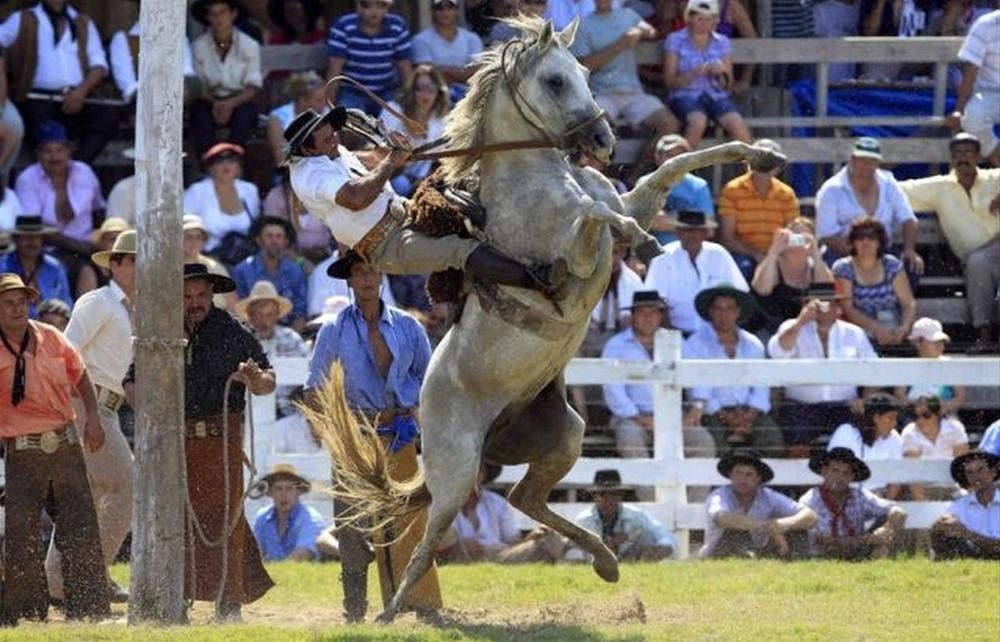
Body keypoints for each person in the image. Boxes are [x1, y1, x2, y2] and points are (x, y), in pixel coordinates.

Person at [285, 107, 567, 300]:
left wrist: (385, 152)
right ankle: (538, 280)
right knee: (458, 249)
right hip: (385, 245)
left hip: (405, 210)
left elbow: (363, 160)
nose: (335, 139)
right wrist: (390, 162)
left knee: (461, 188)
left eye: (333, 133)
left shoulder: (329, 151)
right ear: (307, 149)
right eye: (327, 139)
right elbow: (356, 199)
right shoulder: (310, 174)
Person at [128, 263, 275, 620]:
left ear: (212, 295)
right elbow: (130, 383)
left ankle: (229, 603)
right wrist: (148, 404)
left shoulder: (232, 330)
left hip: (219, 437)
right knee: (172, 520)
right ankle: (173, 600)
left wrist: (254, 379)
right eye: (187, 295)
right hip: (171, 442)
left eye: (201, 295)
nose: (195, 302)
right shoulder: (160, 331)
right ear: (177, 298)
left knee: (226, 520)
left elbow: (268, 379)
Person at [305, 254, 441, 622]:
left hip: (398, 429)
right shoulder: (334, 328)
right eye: (360, 272)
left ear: (381, 275)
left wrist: (420, 417)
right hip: (355, 434)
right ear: (349, 280)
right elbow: (315, 384)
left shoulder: (408, 327)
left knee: (411, 519)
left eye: (372, 271)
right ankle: (355, 609)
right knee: (351, 527)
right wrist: (326, 430)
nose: (367, 278)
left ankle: (424, 605)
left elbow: (430, 381)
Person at [0, 273, 109, 626]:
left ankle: (88, 608)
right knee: (21, 534)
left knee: (80, 527)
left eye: (22, 302)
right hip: (21, 451)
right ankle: (26, 612)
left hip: (65, 444)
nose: (19, 309)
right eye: (9, 303)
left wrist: (93, 417)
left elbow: (80, 376)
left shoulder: (51, 336)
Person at [45, 231, 136, 606]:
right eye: (132, 260)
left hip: (103, 405)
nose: (141, 268)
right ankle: (91, 575)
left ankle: (55, 584)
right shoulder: (99, 302)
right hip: (89, 404)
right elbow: (65, 353)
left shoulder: (128, 309)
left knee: (89, 496)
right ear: (115, 265)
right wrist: (85, 415)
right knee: (126, 487)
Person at [898, 133, 1000, 351]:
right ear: (951, 159)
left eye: (968, 152)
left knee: (979, 262)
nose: (963, 158)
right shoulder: (940, 188)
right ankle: (984, 335)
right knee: (978, 263)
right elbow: (898, 190)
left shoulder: (995, 178)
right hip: (976, 258)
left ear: (979, 156)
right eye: (957, 154)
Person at [0, 0, 117, 163]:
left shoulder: (82, 22)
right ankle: (54, 170)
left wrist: (81, 92)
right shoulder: (23, 19)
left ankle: (78, 167)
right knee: (43, 128)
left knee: (107, 118)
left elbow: (99, 65)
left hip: (77, 96)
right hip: (37, 98)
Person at [572, 0, 679, 178]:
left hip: (633, 92)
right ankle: (602, 181)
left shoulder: (627, 15)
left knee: (669, 124)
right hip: (602, 93)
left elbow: (651, 31)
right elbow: (584, 65)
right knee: (599, 127)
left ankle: (634, 178)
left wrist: (640, 31)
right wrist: (621, 44)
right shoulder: (583, 25)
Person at [768, 283, 877, 458]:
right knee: (795, 436)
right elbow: (777, 352)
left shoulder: (854, 333)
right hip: (802, 406)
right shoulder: (793, 327)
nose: (825, 309)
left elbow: (874, 371)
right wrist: (801, 321)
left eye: (830, 304)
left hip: (844, 405)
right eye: (819, 304)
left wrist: (864, 401)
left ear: (838, 308)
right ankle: (799, 484)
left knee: (858, 434)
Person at [603, 290, 715, 458]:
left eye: (653, 312)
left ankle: (693, 486)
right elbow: (613, 390)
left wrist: (696, 408)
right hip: (632, 418)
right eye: (642, 312)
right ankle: (647, 486)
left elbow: (698, 374)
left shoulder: (676, 342)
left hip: (674, 415)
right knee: (630, 441)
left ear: (660, 316)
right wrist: (640, 418)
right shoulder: (616, 345)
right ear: (632, 316)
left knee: (703, 442)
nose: (648, 318)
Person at [684, 285, 782, 457]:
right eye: (718, 309)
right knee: (716, 444)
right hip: (714, 413)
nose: (724, 315)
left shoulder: (753, 344)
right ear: (710, 312)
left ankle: (765, 483)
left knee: (773, 440)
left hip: (750, 411)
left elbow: (761, 387)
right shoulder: (695, 343)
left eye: (729, 308)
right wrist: (726, 418)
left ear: (738, 312)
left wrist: (749, 416)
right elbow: (698, 389)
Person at [815, 137, 923, 276]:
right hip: (843, 252)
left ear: (878, 163)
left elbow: (909, 219)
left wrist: (910, 250)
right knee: (837, 270)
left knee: (911, 267)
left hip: (882, 250)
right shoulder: (831, 189)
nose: (866, 165)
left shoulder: (889, 183)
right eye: (862, 160)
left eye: (871, 161)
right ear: (852, 160)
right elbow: (827, 235)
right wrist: (862, 253)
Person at [663, 0, 752, 149]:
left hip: (716, 96)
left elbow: (727, 85)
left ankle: (754, 169)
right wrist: (692, 74)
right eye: (700, 18)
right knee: (698, 121)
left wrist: (721, 73)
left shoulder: (722, 42)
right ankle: (682, 169)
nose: (704, 23)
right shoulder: (675, 40)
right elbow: (669, 81)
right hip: (685, 96)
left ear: (715, 20)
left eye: (709, 19)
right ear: (689, 18)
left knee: (736, 122)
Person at [14, 120, 106, 264]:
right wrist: (82, 248)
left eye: (60, 150)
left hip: (88, 248)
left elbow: (99, 210)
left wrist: (101, 242)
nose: (55, 157)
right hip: (48, 252)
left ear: (69, 150)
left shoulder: (84, 171)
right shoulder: (27, 180)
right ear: (38, 153)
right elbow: (34, 228)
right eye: (47, 151)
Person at [437, 463, 567, 563]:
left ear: (483, 475)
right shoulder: (441, 503)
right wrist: (467, 544)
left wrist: (530, 538)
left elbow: (512, 542)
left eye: (477, 470)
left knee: (551, 538)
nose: (471, 475)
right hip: (460, 558)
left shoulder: (497, 503)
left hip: (501, 558)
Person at [644, 210, 746, 335]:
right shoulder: (663, 257)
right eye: (685, 230)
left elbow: (740, 293)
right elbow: (654, 301)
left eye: (696, 230)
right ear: (678, 232)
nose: (691, 235)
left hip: (717, 334)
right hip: (675, 333)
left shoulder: (719, 254)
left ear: (705, 233)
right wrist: (674, 336)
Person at [700, 451, 816, 558]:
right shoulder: (719, 495)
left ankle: (796, 563)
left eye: (749, 474)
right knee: (735, 532)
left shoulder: (767, 496)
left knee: (798, 530)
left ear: (758, 479)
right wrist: (766, 526)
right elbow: (721, 518)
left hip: (759, 550)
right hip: (718, 552)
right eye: (738, 473)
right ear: (731, 476)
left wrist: (783, 524)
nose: (742, 479)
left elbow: (810, 515)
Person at [799, 447, 907, 559]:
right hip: (821, 557)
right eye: (835, 471)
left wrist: (888, 529)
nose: (839, 478)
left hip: (857, 553)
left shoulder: (859, 496)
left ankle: (877, 567)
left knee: (886, 539)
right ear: (824, 472)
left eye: (846, 473)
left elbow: (897, 510)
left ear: (852, 477)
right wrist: (869, 539)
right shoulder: (810, 501)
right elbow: (824, 542)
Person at [717, 139, 801, 281]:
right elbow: (728, 238)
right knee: (742, 267)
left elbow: (793, 233)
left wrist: (773, 255)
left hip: (779, 253)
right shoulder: (732, 190)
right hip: (744, 255)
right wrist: (757, 255)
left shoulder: (787, 194)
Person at [189, 0, 262, 153]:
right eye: (213, 13)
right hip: (208, 99)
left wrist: (230, 104)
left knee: (243, 119)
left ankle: (235, 162)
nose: (218, 18)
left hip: (239, 99)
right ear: (207, 17)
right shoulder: (198, 46)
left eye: (222, 12)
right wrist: (216, 103)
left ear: (233, 14)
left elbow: (253, 87)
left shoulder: (249, 45)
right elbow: (197, 84)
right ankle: (208, 164)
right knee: (200, 119)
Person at [833, 217, 917, 348]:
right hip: (859, 333)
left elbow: (908, 303)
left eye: (871, 237)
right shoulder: (843, 268)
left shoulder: (892, 265)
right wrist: (876, 330)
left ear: (880, 242)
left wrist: (904, 328)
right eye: (860, 237)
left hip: (894, 328)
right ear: (853, 242)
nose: (865, 241)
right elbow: (847, 309)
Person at [566, 469, 676, 562]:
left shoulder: (636, 515)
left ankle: (643, 572)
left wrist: (661, 548)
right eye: (602, 494)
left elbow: (664, 535)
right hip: (596, 564)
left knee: (647, 536)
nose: (608, 499)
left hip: (631, 560)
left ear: (620, 496)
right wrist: (605, 546)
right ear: (595, 496)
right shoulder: (584, 520)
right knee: (574, 549)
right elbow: (578, 551)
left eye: (613, 494)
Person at [235, 280, 308, 418]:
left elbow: (308, 374)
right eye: (258, 314)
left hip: (287, 415)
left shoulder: (291, 339)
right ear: (250, 315)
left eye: (269, 314)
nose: (264, 321)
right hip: (250, 417)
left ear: (277, 315)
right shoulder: (239, 341)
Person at [326, 0, 413, 116]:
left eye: (380, 5)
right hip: (352, 90)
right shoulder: (343, 26)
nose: (374, 11)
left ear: (388, 7)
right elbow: (335, 68)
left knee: (396, 122)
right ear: (358, 6)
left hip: (386, 90)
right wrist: (329, 107)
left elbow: (405, 67)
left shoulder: (398, 26)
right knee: (348, 124)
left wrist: (411, 101)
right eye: (367, 5)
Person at [378, 65, 451, 198]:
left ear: (439, 92)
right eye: (420, 88)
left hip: (423, 182)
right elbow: (378, 148)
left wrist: (426, 181)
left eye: (431, 89)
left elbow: (441, 161)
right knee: (401, 185)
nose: (425, 94)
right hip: (388, 176)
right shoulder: (393, 110)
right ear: (412, 90)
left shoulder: (442, 120)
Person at [751, 217, 834, 333]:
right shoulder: (773, 263)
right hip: (771, 328)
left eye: (804, 237)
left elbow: (826, 294)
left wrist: (815, 253)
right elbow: (762, 290)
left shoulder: (817, 267)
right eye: (794, 235)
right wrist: (774, 249)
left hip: (807, 330)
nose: (798, 240)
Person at [182, 142, 262, 259]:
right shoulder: (197, 191)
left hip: (244, 257)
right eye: (219, 162)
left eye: (232, 161)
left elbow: (255, 225)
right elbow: (186, 225)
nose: (226, 165)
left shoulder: (250, 190)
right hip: (207, 257)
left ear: (239, 168)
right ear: (210, 169)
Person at [232, 216, 308, 331]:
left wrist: (290, 338)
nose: (274, 241)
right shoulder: (242, 270)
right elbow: (239, 310)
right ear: (259, 240)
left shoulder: (295, 271)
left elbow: (300, 311)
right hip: (253, 331)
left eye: (279, 236)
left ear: (285, 242)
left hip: (288, 332)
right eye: (269, 236)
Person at [946, 9, 1000, 167]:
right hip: (990, 93)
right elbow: (971, 69)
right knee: (972, 118)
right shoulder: (986, 24)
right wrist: (959, 109)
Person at [640, 134, 715, 246]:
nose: (676, 160)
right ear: (657, 158)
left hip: (690, 250)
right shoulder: (645, 183)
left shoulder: (699, 185)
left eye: (681, 155)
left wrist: (667, 220)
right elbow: (649, 223)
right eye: (670, 155)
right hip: (655, 252)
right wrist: (693, 222)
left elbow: (709, 229)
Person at [827, 392, 905, 498]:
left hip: (879, 497)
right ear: (876, 418)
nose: (895, 423)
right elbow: (833, 471)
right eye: (890, 418)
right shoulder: (846, 432)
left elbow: (896, 480)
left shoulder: (894, 438)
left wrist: (885, 506)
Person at [109, 14, 196, 103]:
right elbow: (129, 88)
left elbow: (187, 74)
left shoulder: (179, 38)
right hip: (139, 108)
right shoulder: (124, 40)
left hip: (177, 105)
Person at [929, 450, 1000, 559]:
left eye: (980, 470)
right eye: (969, 472)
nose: (975, 476)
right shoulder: (959, 506)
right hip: (971, 557)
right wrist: (939, 526)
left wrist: (966, 533)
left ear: (993, 472)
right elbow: (942, 532)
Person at [0, 215, 72, 317]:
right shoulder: (2, 267)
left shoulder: (55, 268)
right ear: (16, 239)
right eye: (26, 236)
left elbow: (66, 306)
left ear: (42, 239)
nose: (32, 241)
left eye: (36, 236)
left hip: (49, 327)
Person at [251, 464, 326, 562]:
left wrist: (279, 571)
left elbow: (304, 552)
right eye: (278, 489)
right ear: (270, 492)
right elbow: (254, 552)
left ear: (298, 492)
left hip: (299, 574)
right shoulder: (262, 517)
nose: (284, 494)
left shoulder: (309, 517)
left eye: (289, 489)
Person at [902, 394, 970, 501]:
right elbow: (913, 476)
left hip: (952, 488)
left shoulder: (955, 428)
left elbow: (963, 465)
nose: (921, 420)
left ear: (938, 414)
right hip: (925, 490)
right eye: (916, 416)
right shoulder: (909, 433)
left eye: (926, 415)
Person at [412, 0, 483, 102]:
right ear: (433, 12)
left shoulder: (473, 39)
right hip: (434, 99)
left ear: (457, 10)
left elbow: (475, 74)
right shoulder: (420, 40)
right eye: (440, 8)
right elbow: (428, 75)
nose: (445, 12)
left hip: (469, 98)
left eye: (449, 7)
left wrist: (443, 70)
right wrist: (461, 73)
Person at [582, 241, 644, 357]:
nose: (612, 259)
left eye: (616, 253)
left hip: (621, 340)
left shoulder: (633, 282)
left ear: (623, 253)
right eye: (607, 253)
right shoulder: (584, 279)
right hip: (587, 338)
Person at [896, 317, 966, 416]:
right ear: (918, 343)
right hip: (915, 418)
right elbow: (900, 397)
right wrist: (917, 408)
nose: (939, 345)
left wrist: (944, 407)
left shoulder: (951, 365)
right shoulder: (907, 367)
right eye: (934, 341)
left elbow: (961, 397)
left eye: (941, 341)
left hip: (946, 418)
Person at [265, 71, 327, 167]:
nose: (324, 105)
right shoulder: (278, 118)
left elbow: (337, 153)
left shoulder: (327, 113)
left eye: (324, 99)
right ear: (302, 100)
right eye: (319, 101)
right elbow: (281, 159)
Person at [183, 214, 238, 312]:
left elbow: (232, 303)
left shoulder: (215, 267)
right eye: (188, 237)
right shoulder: (167, 269)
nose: (194, 241)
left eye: (198, 237)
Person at [75, 217, 130, 298]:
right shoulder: (90, 270)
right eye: (112, 239)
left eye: (121, 240)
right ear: (101, 243)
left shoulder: (133, 268)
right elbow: (87, 304)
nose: (117, 244)